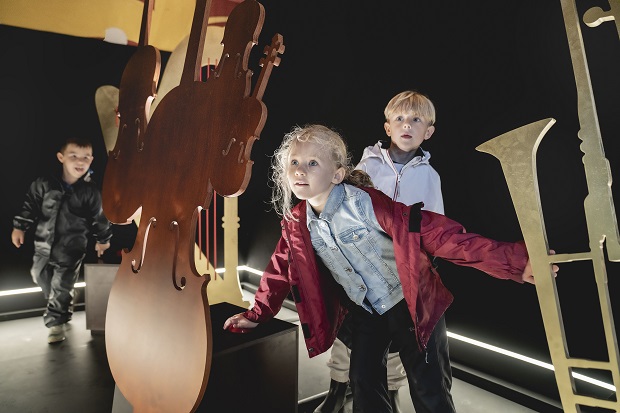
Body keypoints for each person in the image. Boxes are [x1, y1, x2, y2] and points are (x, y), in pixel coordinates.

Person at [223, 124, 554, 413]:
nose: (299, 170)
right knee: (364, 383)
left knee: (430, 390)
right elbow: (280, 268)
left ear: (337, 174)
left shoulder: (367, 205)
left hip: (411, 305)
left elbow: (444, 237)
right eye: (294, 163)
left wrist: (516, 262)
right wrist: (256, 314)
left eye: (312, 163)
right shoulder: (297, 222)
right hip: (369, 312)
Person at [316, 90, 443, 413]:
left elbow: (435, 225)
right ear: (387, 127)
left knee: (399, 343)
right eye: (399, 118)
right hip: (362, 267)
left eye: (416, 119)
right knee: (351, 336)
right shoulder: (368, 163)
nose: (407, 125)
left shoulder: (430, 177)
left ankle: (392, 391)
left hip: (401, 274)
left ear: (427, 131)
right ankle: (337, 389)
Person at [11, 137, 112, 344]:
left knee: (61, 285)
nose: (80, 161)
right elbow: (29, 205)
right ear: (61, 157)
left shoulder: (90, 192)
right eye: (74, 156)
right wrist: (19, 227)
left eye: (85, 157)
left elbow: (99, 218)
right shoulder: (44, 184)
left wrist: (103, 239)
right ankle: (64, 299)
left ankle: (56, 323)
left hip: (72, 248)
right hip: (43, 245)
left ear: (91, 160)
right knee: (38, 276)